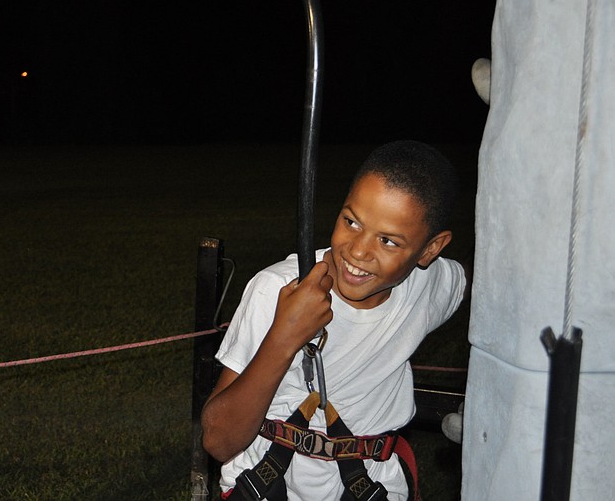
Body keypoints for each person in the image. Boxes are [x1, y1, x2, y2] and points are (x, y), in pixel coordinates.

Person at [201, 140, 470, 500]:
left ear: (430, 250)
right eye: (351, 221)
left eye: (388, 241)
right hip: (270, 486)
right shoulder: (278, 289)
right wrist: (285, 335)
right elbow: (218, 441)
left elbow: (481, 280)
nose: (358, 250)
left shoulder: (430, 284)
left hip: (374, 486)